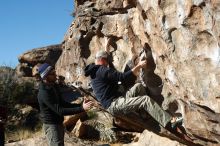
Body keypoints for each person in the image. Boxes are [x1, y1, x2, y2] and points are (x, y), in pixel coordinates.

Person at [84, 49, 183, 133]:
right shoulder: (101, 70)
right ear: (102, 60)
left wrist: (106, 51)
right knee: (145, 100)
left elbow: (112, 73)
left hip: (118, 99)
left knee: (139, 86)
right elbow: (121, 77)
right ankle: (170, 122)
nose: (108, 64)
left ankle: (144, 114)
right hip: (114, 105)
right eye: (107, 61)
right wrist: (139, 66)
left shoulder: (95, 71)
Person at [37, 63, 93, 146]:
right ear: (45, 76)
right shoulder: (44, 93)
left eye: (55, 72)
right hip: (52, 126)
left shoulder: (53, 86)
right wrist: (82, 109)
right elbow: (60, 110)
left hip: (59, 123)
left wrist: (80, 106)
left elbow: (63, 103)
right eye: (52, 74)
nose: (56, 75)